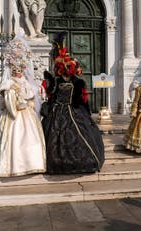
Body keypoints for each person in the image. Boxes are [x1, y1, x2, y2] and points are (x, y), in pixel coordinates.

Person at [0, 36, 46, 177]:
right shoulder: (8, 83)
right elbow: (6, 99)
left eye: (20, 69)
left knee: (30, 140)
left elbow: (30, 94)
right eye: (15, 69)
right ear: (11, 69)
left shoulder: (25, 82)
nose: (18, 71)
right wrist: (13, 100)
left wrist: (28, 102)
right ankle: (10, 167)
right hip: (12, 115)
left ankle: (32, 164)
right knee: (12, 140)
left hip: (27, 114)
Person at [41, 42, 105, 174]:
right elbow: (80, 101)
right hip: (68, 111)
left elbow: (54, 98)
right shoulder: (71, 82)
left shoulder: (65, 82)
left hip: (59, 112)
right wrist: (87, 115)